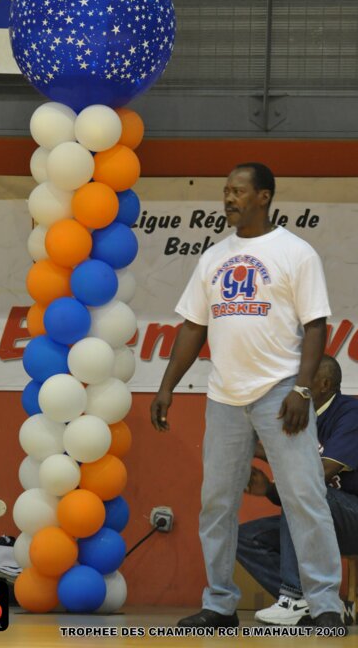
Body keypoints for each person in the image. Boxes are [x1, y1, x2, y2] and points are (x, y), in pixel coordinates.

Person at [150, 162, 346, 631]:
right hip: (224, 396)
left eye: (238, 191)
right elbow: (193, 327)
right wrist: (166, 386)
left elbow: (315, 325)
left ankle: (324, 604)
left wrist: (302, 387)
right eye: (226, 191)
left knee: (304, 497)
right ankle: (219, 605)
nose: (228, 199)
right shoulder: (213, 257)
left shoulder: (295, 253)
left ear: (264, 196)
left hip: (280, 391)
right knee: (216, 503)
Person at [237, 354, 358, 626]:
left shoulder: (350, 413)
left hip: (352, 517)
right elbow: (299, 482)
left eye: (304, 379)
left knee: (302, 490)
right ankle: (318, 604)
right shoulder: (302, 418)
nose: (296, 385)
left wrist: (264, 452)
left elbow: (321, 473)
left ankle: (294, 595)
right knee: (244, 538)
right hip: (321, 517)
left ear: (325, 384)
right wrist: (269, 490)